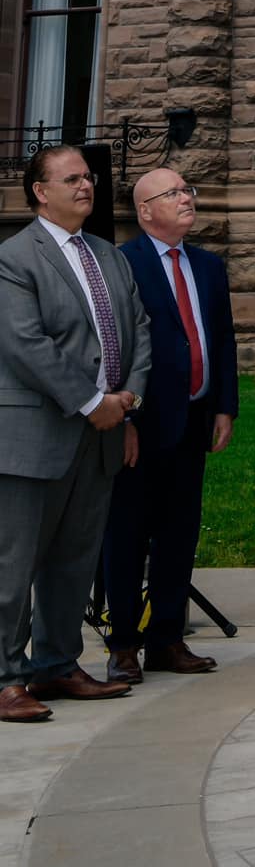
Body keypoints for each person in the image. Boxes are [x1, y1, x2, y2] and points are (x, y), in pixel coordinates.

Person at [0, 146, 149, 723]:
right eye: (72, 179)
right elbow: (25, 343)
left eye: (88, 178)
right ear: (40, 190)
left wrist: (126, 400)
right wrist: (92, 402)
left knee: (74, 559)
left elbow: (138, 329)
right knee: (15, 564)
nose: (86, 187)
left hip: (102, 435)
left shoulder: (110, 257)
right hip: (34, 434)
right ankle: (8, 679)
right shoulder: (15, 257)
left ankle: (58, 664)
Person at [102, 166, 239, 682]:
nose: (186, 198)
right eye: (173, 193)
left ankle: (166, 639)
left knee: (179, 532)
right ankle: (124, 644)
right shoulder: (122, 263)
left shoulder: (207, 265)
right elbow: (114, 347)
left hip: (195, 417)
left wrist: (225, 404)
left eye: (187, 190)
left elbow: (221, 338)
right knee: (128, 532)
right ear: (144, 211)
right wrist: (125, 417)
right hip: (143, 422)